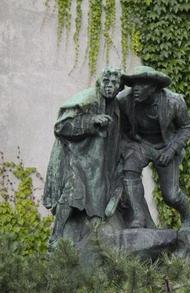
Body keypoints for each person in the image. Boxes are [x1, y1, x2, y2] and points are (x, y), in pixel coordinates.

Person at [43, 67, 126, 249]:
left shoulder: (116, 108)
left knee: (97, 201)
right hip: (74, 158)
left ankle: (94, 242)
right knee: (72, 194)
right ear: (99, 82)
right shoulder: (88, 98)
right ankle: (55, 237)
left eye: (114, 83)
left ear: (119, 86)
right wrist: (91, 121)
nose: (110, 86)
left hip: (97, 166)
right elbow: (61, 127)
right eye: (106, 82)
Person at [117, 66, 190, 232]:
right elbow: (121, 128)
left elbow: (187, 127)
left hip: (166, 146)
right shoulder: (124, 100)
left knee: (171, 196)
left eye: (142, 85)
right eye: (134, 85)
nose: (136, 89)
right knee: (129, 171)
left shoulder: (173, 101)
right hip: (140, 144)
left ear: (153, 87)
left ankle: (188, 218)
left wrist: (171, 150)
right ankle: (139, 217)